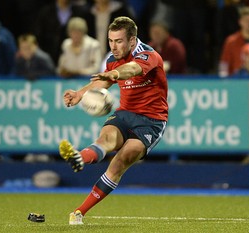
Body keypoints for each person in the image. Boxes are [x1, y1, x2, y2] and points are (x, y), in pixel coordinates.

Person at [59, 16, 168, 225]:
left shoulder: (149, 56)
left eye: (119, 41)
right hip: (125, 112)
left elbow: (132, 69)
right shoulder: (112, 58)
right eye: (110, 40)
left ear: (132, 41)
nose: (114, 46)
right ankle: (80, 157)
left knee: (121, 159)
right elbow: (103, 81)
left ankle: (78, 212)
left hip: (151, 121)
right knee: (106, 139)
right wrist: (80, 94)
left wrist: (115, 73)